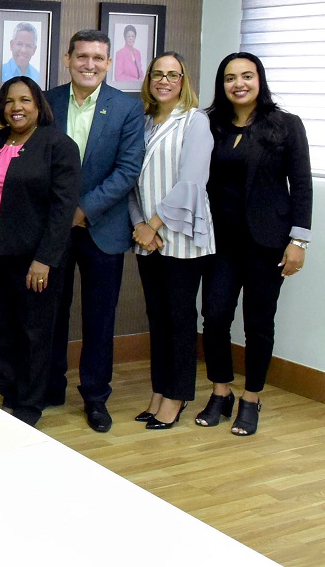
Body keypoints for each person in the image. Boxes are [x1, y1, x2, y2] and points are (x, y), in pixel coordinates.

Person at [198, 52, 311, 436]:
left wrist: (299, 241)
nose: (239, 84)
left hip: (268, 243)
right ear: (222, 84)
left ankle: (251, 397)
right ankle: (220, 391)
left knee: (258, 324)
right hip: (220, 243)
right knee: (214, 317)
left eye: (247, 76)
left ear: (259, 80)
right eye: (230, 78)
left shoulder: (285, 125)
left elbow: (302, 186)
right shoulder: (209, 125)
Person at [45, 29, 144, 432]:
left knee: (100, 318)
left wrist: (83, 210)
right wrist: (62, 214)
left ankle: (95, 396)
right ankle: (49, 387)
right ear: (67, 59)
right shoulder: (48, 101)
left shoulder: (126, 107)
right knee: (51, 312)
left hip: (103, 229)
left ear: (108, 63)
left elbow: (128, 170)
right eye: (82, 56)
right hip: (53, 228)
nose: (89, 64)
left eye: (97, 58)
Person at [0, 77, 81, 426]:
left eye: (24, 100)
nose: (15, 107)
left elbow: (63, 209)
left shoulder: (58, 145)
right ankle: (10, 391)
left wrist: (45, 259)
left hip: (36, 258)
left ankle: (31, 401)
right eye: (8, 101)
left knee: (35, 331)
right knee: (3, 328)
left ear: (39, 105)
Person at [129, 52, 214, 430]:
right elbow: (132, 180)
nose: (164, 80)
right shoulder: (144, 122)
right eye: (157, 74)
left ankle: (176, 396)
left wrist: (155, 225)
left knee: (179, 319)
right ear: (149, 79)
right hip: (146, 237)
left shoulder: (194, 121)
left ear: (184, 81)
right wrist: (139, 225)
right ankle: (159, 391)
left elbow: (192, 181)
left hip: (180, 236)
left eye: (172, 75)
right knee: (158, 317)